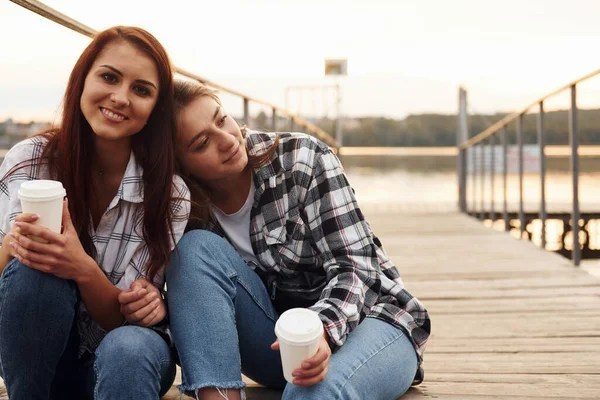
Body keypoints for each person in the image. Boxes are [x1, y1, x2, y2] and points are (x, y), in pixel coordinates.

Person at [166, 80, 430, 400]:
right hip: (280, 346)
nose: (226, 140)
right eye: (201, 143)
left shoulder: (302, 157)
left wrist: (323, 331)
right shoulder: (183, 207)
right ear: (181, 166)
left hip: (373, 320)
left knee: (312, 394)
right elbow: (195, 310)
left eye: (222, 119)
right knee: (192, 250)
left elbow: (356, 265)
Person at [0, 26, 190, 400]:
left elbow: (125, 319)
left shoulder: (170, 194)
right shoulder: (30, 161)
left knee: (130, 348)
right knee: (31, 274)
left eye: (141, 90)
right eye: (109, 77)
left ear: (156, 108)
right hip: (41, 357)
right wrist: (12, 245)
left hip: (125, 351)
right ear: (81, 81)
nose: (120, 98)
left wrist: (80, 266)